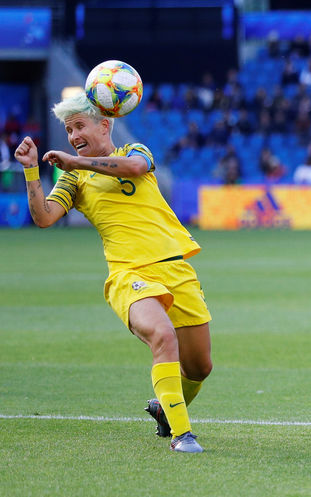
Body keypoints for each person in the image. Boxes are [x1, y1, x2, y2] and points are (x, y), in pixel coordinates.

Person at [14, 95, 211, 453]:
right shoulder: (74, 180)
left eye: (78, 126)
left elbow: (135, 168)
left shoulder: (135, 150)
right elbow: (43, 217)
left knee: (199, 368)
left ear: (103, 125)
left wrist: (77, 161)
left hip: (175, 267)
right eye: (68, 129)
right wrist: (31, 170)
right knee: (163, 336)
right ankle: (183, 435)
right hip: (129, 275)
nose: (72, 135)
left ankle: (165, 410)